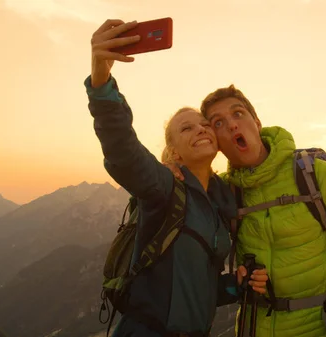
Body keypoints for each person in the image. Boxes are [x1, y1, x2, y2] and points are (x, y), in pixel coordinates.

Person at [84, 19, 269, 337]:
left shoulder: (220, 202)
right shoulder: (164, 187)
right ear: (175, 153)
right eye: (187, 128)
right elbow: (123, 151)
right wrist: (102, 84)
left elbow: (193, 289)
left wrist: (236, 285)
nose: (200, 129)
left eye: (204, 124)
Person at [169, 85, 326, 337]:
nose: (233, 125)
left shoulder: (317, 176)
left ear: (256, 122)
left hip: (317, 327)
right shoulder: (223, 192)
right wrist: (172, 172)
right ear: (217, 143)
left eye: (238, 114)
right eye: (218, 123)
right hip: (253, 327)